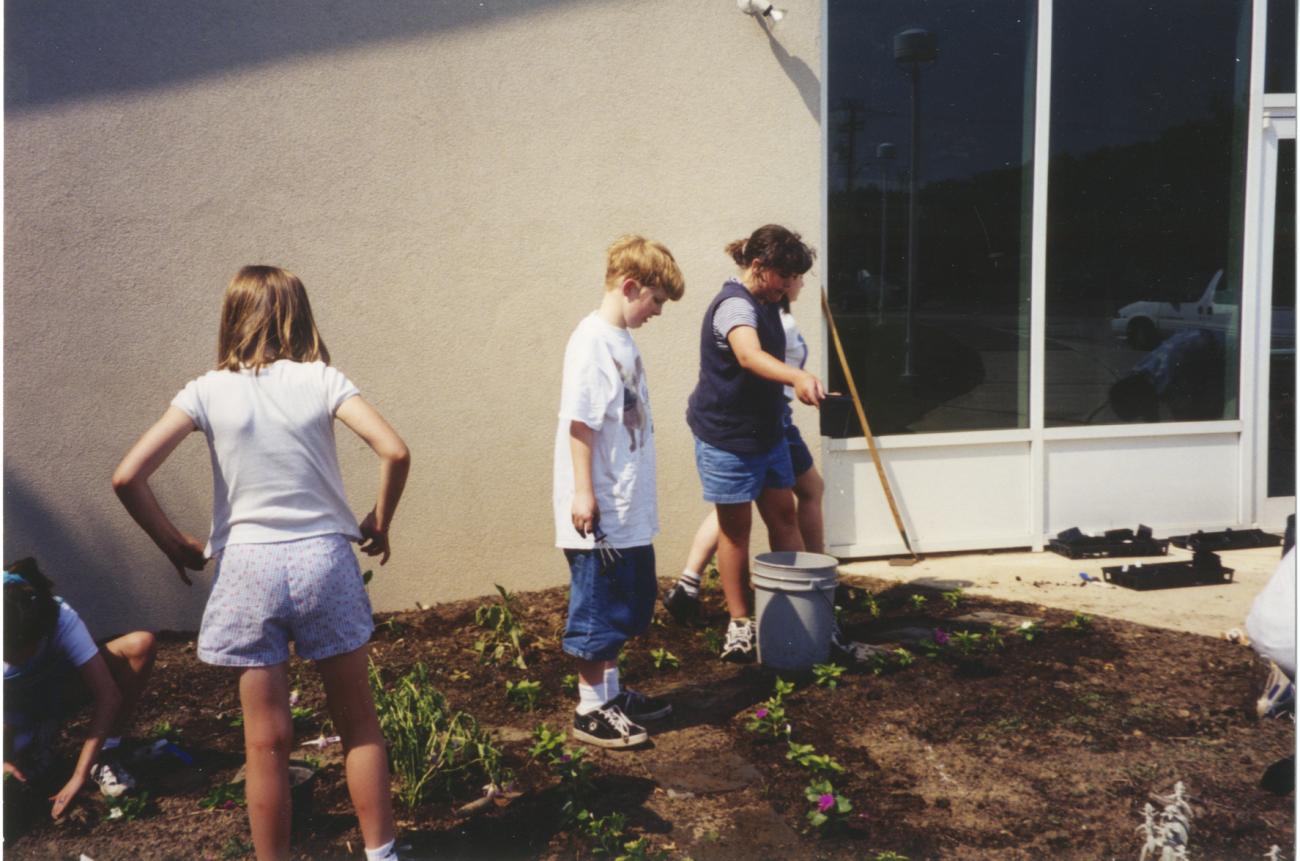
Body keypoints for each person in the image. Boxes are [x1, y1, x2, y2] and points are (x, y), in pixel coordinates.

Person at [112, 265, 411, 861]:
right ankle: (383, 854)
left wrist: (174, 543)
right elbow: (395, 449)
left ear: (232, 317)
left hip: (246, 567)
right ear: (298, 314)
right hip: (324, 559)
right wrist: (379, 517)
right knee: (358, 725)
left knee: (265, 744)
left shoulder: (204, 391)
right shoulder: (321, 380)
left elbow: (127, 476)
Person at [554, 235, 685, 748]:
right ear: (631, 287)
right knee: (597, 607)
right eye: (655, 301)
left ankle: (609, 693)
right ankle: (590, 710)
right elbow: (580, 424)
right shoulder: (590, 343)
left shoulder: (621, 339)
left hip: (626, 504)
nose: (657, 312)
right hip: (600, 508)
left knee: (627, 600)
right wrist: (584, 493)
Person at [684, 225, 824, 662]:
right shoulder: (733, 306)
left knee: (784, 513)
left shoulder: (770, 298)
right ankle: (740, 623)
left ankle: (802, 603)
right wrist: (797, 376)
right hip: (727, 437)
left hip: (767, 432)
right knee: (735, 530)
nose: (789, 284)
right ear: (759, 267)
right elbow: (748, 355)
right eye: (784, 275)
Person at [3, 557, 157, 822]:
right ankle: (27, 753)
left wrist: (79, 776)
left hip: (53, 693)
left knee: (140, 645)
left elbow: (107, 694)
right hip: (12, 713)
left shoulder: (58, 616)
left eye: (16, 652)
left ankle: (105, 755)